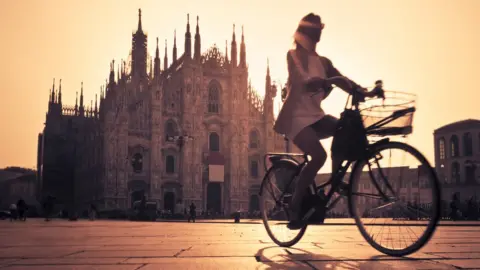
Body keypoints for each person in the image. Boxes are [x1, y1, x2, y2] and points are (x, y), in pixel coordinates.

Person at [274, 13, 381, 230]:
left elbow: (344, 80)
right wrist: (322, 81)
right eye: (316, 32)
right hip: (296, 118)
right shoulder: (292, 55)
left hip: (316, 116)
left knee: (344, 126)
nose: (318, 36)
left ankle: (335, 179)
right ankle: (295, 205)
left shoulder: (324, 62)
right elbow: (300, 80)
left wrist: (366, 92)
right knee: (319, 156)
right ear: (307, 34)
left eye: (320, 32)